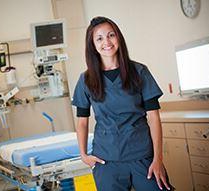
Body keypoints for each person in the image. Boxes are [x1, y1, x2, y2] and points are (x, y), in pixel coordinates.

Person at [72, 16, 173, 191]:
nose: (107, 42)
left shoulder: (139, 71)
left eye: (111, 35)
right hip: (107, 160)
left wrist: (158, 159)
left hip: (143, 156)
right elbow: (82, 121)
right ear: (93, 45)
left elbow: (153, 117)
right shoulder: (86, 80)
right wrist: (83, 155)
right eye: (100, 38)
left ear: (118, 37)